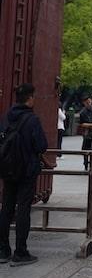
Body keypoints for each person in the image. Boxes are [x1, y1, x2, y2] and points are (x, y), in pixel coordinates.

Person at [0, 83, 49, 266]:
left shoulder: (6, 118)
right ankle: (20, 252)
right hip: (27, 170)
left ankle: (3, 250)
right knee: (23, 210)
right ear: (29, 98)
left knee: (6, 208)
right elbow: (41, 146)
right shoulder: (32, 120)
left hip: (7, 169)